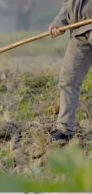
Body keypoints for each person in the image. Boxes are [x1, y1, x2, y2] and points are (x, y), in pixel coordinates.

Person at [49, 1, 92, 142]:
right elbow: (70, 3)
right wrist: (59, 22)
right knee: (68, 79)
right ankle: (65, 129)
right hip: (79, 31)